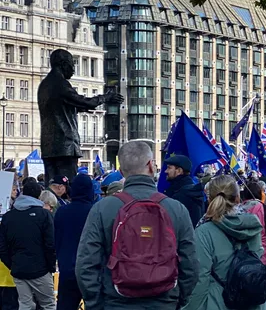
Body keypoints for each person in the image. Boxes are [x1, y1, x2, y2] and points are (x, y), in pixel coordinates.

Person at [75, 140, 197, 310]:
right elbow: (190, 263)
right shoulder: (176, 209)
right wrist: (178, 299)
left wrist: (96, 304)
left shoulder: (102, 209)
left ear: (120, 171)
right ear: (151, 166)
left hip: (116, 301)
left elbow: (86, 263)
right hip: (164, 301)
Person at [38, 49, 124, 181]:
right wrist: (106, 97)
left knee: (51, 185)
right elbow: (84, 101)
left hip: (48, 147)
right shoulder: (61, 84)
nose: (73, 69)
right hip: (65, 145)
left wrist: (81, 108)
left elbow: (63, 108)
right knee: (67, 185)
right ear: (63, 64)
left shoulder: (44, 85)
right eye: (72, 64)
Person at [182, 175, 266, 310]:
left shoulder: (204, 231)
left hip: (218, 301)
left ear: (209, 199)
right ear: (238, 198)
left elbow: (200, 279)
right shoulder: (252, 225)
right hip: (252, 300)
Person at [0, 180, 56, 310]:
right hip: (41, 269)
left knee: (25, 304)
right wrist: (51, 265)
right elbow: (50, 244)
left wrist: (12, 264)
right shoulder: (44, 215)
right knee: (48, 304)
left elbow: (2, 246)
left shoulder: (8, 217)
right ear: (38, 196)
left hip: (18, 269)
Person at [54, 174, 95, 310]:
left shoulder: (62, 211)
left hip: (66, 269)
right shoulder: (94, 211)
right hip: (90, 270)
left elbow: (56, 239)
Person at [163, 154, 205, 227]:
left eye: (169, 168)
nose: (166, 171)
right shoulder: (191, 191)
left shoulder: (181, 195)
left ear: (179, 171)